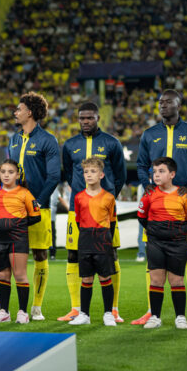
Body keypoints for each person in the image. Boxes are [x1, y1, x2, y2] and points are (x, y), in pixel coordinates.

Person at [133, 91, 187, 327]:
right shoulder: (150, 134)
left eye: (168, 102)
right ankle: (152, 311)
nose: (163, 106)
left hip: (183, 204)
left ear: (179, 104)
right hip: (156, 206)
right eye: (160, 103)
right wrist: (147, 186)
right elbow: (140, 165)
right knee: (153, 260)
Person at [57, 102, 127, 323]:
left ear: (98, 118)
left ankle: (113, 309)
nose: (85, 121)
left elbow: (120, 174)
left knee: (110, 254)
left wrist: (109, 195)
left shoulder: (111, 143)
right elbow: (69, 173)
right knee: (73, 255)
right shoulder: (69, 145)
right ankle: (77, 308)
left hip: (103, 209)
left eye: (89, 118)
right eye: (81, 118)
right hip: (77, 206)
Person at [137, 157, 187, 330]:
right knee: (156, 279)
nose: (156, 175)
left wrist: (173, 231)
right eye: (154, 172)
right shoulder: (148, 194)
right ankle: (155, 317)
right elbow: (142, 217)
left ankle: (180, 317)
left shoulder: (184, 195)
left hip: (177, 243)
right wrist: (156, 230)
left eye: (161, 171)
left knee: (176, 280)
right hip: (155, 242)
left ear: (172, 174)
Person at [0, 159, 41, 324]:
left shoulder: (24, 193)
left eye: (10, 172)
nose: (6, 175)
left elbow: (36, 216)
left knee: (20, 275)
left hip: (18, 239)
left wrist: (17, 226)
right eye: (3, 172)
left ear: (17, 174)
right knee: (3, 275)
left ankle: (22, 312)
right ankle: (4, 312)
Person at [67, 158, 119, 327]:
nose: (89, 175)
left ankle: (108, 314)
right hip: (85, 239)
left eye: (93, 171)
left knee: (105, 277)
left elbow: (111, 223)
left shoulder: (109, 197)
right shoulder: (79, 197)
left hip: (103, 240)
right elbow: (78, 221)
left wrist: (105, 238)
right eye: (86, 172)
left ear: (101, 174)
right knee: (86, 278)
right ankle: (84, 314)